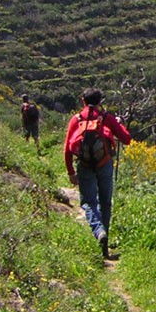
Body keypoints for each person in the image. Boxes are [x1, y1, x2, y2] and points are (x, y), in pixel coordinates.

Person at [64, 88, 132, 259]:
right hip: (104, 163)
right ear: (100, 101)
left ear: (83, 101)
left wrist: (71, 172)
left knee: (88, 202)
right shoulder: (106, 118)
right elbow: (127, 139)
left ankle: (98, 230)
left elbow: (67, 148)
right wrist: (119, 123)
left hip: (85, 165)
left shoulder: (76, 119)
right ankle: (105, 246)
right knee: (105, 202)